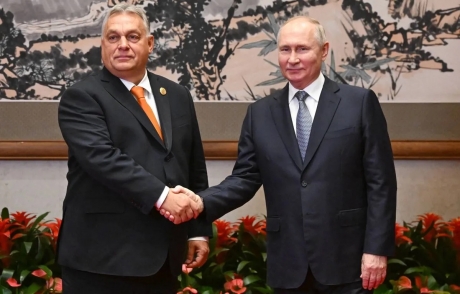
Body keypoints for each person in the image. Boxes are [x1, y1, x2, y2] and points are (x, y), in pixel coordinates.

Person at [168, 16, 397, 294]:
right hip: (288, 264)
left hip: (347, 260)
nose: (292, 59)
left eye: (302, 49)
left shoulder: (358, 103)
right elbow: (244, 178)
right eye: (285, 49)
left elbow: (381, 183)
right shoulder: (260, 113)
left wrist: (376, 250)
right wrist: (200, 201)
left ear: (323, 51)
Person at [57, 3, 209, 293]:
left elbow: (192, 166)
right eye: (113, 37)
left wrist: (197, 231)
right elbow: (103, 160)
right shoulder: (82, 97)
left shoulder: (177, 95)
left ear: (150, 43)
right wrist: (164, 197)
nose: (122, 45)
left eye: (133, 37)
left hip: (163, 258)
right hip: (101, 261)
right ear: (102, 45)